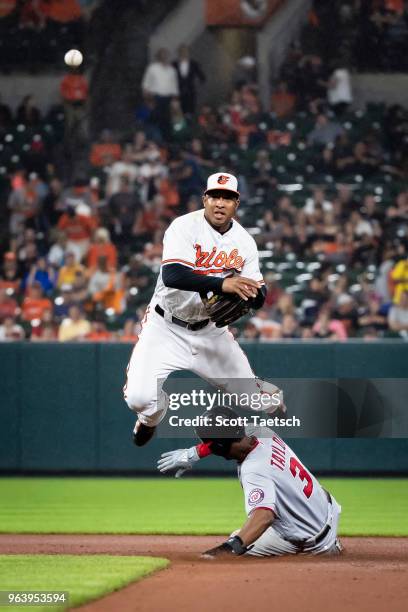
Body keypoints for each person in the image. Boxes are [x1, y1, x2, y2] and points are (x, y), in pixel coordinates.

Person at [123, 172, 285, 448]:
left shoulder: (244, 241)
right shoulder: (184, 226)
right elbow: (173, 275)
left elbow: (260, 291)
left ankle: (272, 397)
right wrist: (224, 285)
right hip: (166, 328)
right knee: (139, 399)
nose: (220, 203)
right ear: (205, 199)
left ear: (237, 204)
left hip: (211, 331)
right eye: (215, 196)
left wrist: (252, 297)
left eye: (228, 198)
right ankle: (150, 419)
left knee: (255, 400)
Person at [157, 406, 342, 558]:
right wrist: (195, 453)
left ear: (221, 447)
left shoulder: (254, 470)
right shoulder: (261, 431)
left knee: (238, 539)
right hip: (327, 511)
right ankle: (331, 543)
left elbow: (264, 517)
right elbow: (225, 435)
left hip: (311, 540)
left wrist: (230, 548)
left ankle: (321, 550)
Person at [141, 48, 179, 139]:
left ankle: (166, 143)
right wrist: (148, 101)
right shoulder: (152, 68)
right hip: (155, 97)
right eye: (162, 54)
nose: (164, 57)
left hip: (168, 99)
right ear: (158, 56)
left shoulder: (172, 70)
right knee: (153, 121)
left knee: (167, 122)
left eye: (166, 55)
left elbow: (174, 87)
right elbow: (145, 85)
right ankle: (152, 141)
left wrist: (175, 101)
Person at [173, 44, 206, 115]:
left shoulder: (194, 64)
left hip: (190, 92)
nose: (183, 53)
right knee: (178, 112)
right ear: (178, 52)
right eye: (181, 51)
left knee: (190, 112)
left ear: (188, 52)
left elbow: (202, 77)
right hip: (178, 92)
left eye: (185, 51)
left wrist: (196, 85)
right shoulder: (173, 64)